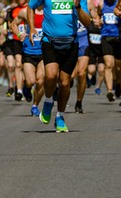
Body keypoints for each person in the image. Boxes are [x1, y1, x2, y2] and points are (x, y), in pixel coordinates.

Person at [28, 0, 93, 132]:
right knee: (51, 76)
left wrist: (78, 6)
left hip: (70, 43)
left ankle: (60, 117)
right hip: (49, 42)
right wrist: (32, 28)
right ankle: (48, 101)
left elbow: (87, 22)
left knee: (65, 83)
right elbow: (30, 7)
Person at [17, 4, 45, 117]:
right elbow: (13, 24)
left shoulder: (49, 11)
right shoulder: (25, 12)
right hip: (29, 51)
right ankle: (26, 88)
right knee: (30, 81)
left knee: (41, 81)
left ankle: (35, 106)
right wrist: (19, 33)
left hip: (44, 52)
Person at [5, 0, 27, 99]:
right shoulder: (13, 10)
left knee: (26, 65)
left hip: (30, 41)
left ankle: (27, 85)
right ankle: (19, 90)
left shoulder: (32, 7)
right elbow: (10, 24)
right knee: (18, 64)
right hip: (17, 40)